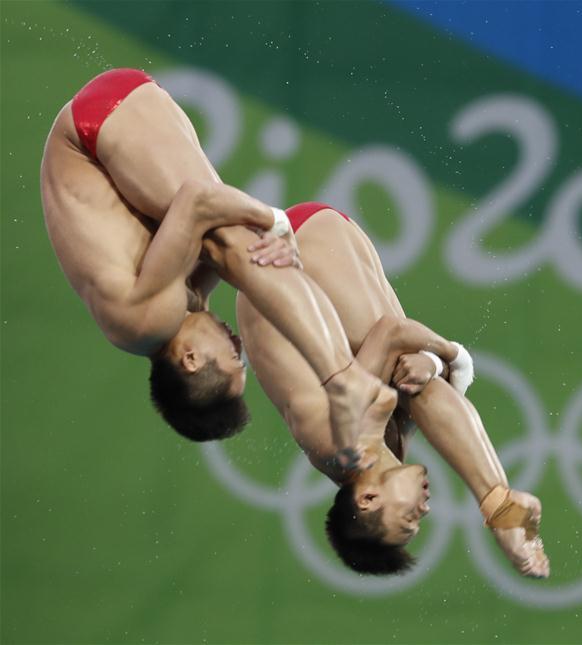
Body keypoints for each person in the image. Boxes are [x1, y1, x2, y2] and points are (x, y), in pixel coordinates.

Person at [40, 68, 385, 457]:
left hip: (95, 128)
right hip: (110, 118)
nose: (239, 343)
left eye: (233, 358)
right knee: (237, 253)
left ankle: (339, 377)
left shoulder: (145, 322)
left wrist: (276, 222)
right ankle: (341, 374)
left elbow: (197, 201)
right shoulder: (175, 307)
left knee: (235, 244)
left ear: (189, 359)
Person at [236, 203, 551, 578]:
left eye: (408, 520)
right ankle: (502, 507)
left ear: (368, 499)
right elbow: (436, 381)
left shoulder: (338, 441)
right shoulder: (389, 444)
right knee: (414, 384)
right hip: (334, 243)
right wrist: (437, 363)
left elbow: (391, 333)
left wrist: (451, 355)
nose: (425, 511)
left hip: (284, 257)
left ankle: (499, 509)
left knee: (399, 369)